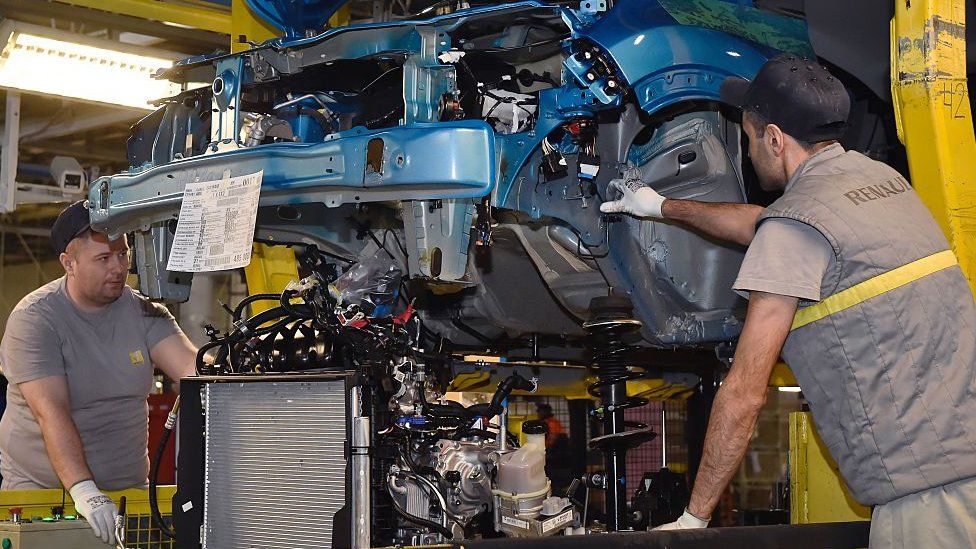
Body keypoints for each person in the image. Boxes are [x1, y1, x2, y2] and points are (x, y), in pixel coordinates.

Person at [601, 53, 976, 547]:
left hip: (931, 504)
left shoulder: (795, 227)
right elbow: (762, 222)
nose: (750, 149)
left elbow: (745, 391)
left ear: (775, 139)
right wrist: (659, 206)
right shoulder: (881, 184)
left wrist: (693, 520)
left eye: (751, 137)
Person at [0, 200, 198, 545]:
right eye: (103, 259)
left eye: (123, 254)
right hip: (44, 493)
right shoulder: (35, 319)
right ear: (69, 263)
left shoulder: (143, 312)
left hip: (128, 492)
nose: (119, 268)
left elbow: (195, 374)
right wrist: (85, 492)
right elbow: (52, 413)